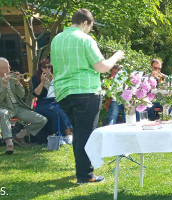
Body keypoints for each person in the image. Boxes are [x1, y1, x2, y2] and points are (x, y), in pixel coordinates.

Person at [50, 8, 125, 184]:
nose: (90, 30)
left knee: (79, 133)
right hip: (85, 91)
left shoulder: (56, 39)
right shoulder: (85, 39)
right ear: (85, 23)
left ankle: (82, 171)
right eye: (90, 26)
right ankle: (85, 175)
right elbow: (102, 67)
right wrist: (116, 56)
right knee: (85, 135)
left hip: (62, 93)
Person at [0, 57, 48, 154]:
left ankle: (19, 136)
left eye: (9, 67)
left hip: (17, 107)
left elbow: (22, 94)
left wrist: (18, 83)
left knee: (42, 120)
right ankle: (9, 143)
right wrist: (4, 85)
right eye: (5, 68)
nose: (8, 70)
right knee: (4, 113)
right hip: (0, 107)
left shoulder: (12, 78)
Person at [30, 58, 73, 144]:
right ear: (40, 68)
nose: (47, 69)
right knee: (57, 112)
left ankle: (67, 135)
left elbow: (60, 91)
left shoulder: (56, 76)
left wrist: (54, 81)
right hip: (42, 103)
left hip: (55, 101)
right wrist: (42, 82)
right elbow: (36, 94)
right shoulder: (35, 78)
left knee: (64, 109)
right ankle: (62, 135)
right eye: (44, 67)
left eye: (49, 67)